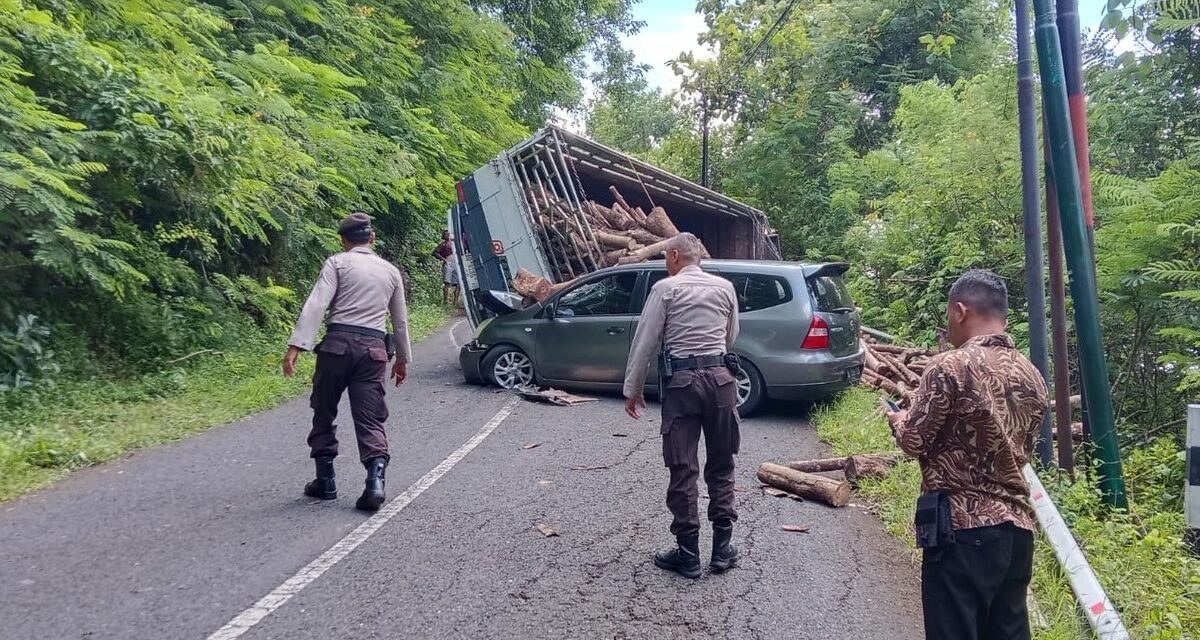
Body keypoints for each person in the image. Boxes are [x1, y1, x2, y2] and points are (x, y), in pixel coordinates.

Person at [884, 269, 1048, 640]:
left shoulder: (950, 365)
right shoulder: (1033, 376)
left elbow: (913, 442)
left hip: (961, 529)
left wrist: (899, 421)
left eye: (948, 316)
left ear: (960, 311)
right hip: (1018, 535)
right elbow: (1020, 450)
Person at [623, 232, 741, 579]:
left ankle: (688, 555)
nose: (665, 263)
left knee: (683, 467)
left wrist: (633, 389)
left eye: (665, 257)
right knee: (722, 464)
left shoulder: (665, 289)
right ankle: (722, 551)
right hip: (722, 381)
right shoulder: (725, 288)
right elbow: (731, 336)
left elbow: (645, 342)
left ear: (674, 255)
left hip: (683, 384)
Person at [282, 212, 412, 512]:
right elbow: (400, 321)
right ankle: (375, 483)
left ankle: (325, 480)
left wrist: (296, 346)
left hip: (337, 348)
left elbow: (317, 304)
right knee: (370, 417)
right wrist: (402, 360)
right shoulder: (390, 271)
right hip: (373, 352)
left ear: (343, 240)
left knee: (324, 409)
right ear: (372, 238)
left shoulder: (337, 263)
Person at [433, 230, 459, 306]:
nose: (448, 235)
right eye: (446, 234)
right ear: (444, 236)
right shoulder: (443, 244)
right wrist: (443, 259)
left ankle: (456, 301)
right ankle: (445, 301)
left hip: (456, 263)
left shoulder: (456, 243)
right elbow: (435, 252)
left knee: (458, 282)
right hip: (448, 263)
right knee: (447, 282)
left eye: (449, 234)